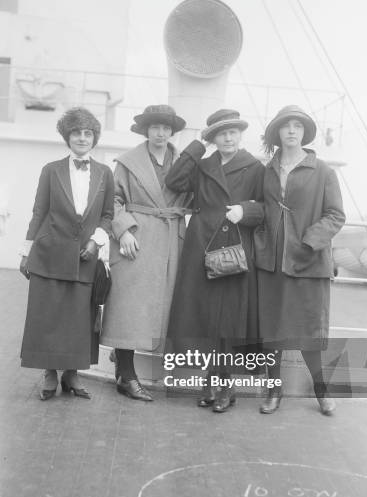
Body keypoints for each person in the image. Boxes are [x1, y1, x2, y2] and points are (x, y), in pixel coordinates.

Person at [165, 109, 265, 412]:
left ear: (240, 134)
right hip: (201, 244)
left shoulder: (255, 167)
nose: (228, 137)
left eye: (233, 131)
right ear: (212, 138)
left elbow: (266, 208)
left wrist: (245, 212)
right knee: (205, 314)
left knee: (229, 317)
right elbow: (175, 180)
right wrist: (196, 145)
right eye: (221, 133)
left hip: (234, 246)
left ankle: (225, 384)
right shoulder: (203, 164)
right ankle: (210, 378)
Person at [254, 105, 345, 415]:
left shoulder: (323, 172)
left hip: (308, 262)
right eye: (285, 126)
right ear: (277, 132)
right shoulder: (267, 169)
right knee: (272, 331)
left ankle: (322, 390)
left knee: (310, 332)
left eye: (297, 126)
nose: (291, 130)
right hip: (272, 262)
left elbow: (335, 215)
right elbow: (260, 208)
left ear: (305, 132)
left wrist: (310, 242)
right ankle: (273, 390)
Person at [20, 107, 114, 400]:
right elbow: (39, 211)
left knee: (78, 319)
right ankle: (49, 374)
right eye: (76, 133)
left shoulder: (104, 173)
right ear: (67, 137)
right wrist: (26, 251)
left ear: (94, 137)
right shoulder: (50, 170)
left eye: (87, 133)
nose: (82, 138)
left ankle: (72, 376)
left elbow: (108, 215)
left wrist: (95, 242)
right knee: (48, 316)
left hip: (84, 258)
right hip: (49, 253)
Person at [101, 104, 190, 401]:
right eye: (155, 127)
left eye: (166, 128)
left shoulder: (185, 161)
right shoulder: (127, 162)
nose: (161, 133)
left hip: (170, 239)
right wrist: (123, 229)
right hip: (135, 239)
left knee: (160, 306)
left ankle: (123, 368)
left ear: (172, 131)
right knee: (129, 306)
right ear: (146, 130)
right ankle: (127, 374)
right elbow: (112, 199)